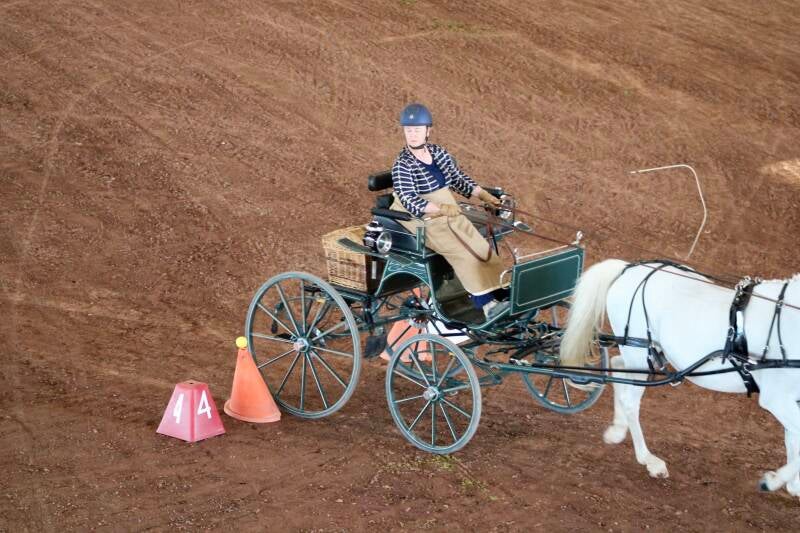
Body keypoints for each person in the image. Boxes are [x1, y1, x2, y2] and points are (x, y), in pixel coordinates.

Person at [389, 103, 509, 320]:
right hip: (422, 218)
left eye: (417, 130)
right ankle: (486, 305)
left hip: (449, 209)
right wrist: (440, 208)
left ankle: (501, 293)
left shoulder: (437, 152)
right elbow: (408, 199)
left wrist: (483, 195)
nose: (413, 134)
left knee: (481, 247)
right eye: (408, 130)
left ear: (428, 130)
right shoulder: (402, 165)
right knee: (461, 252)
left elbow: (457, 178)